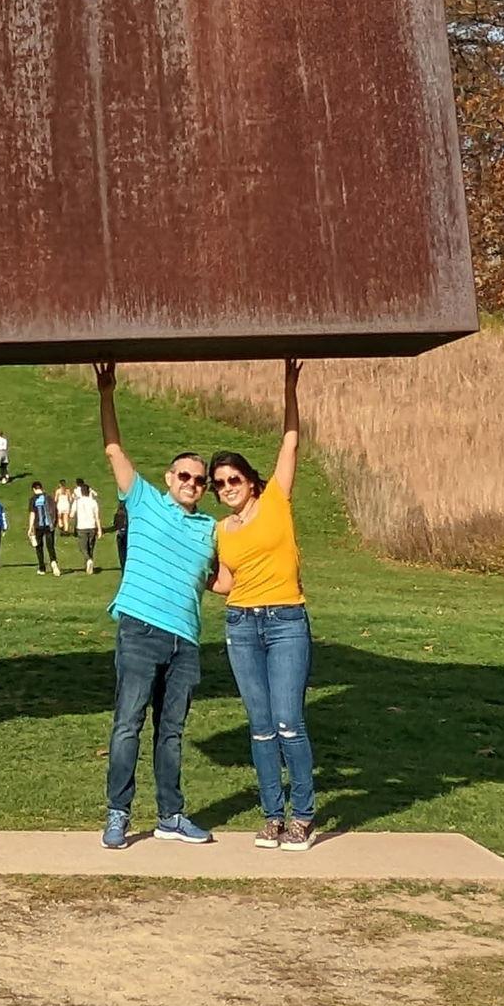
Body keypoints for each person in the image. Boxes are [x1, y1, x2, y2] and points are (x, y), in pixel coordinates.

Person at [95, 362, 218, 848]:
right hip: (141, 631)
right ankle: (118, 814)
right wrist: (107, 393)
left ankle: (171, 816)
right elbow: (113, 449)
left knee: (171, 733)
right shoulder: (144, 500)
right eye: (185, 475)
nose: (192, 483)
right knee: (128, 725)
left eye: (200, 480)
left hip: (185, 641)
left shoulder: (209, 528)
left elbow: (223, 579)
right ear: (169, 478)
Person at [212, 361, 316, 850]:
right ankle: (273, 815)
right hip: (241, 625)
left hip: (286, 621)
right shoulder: (221, 530)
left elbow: (290, 442)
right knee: (259, 728)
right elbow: (227, 582)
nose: (227, 487)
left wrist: (289, 388)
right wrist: (191, 576)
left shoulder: (276, 498)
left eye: (233, 479)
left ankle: (303, 815)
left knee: (288, 722)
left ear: (250, 480)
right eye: (219, 484)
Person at [71, 478, 103, 574]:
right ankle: (89, 565)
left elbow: (71, 514)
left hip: (81, 527)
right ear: (89, 491)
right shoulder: (93, 502)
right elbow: (97, 517)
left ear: (81, 492)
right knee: (91, 546)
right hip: (92, 526)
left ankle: (88, 560)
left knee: (83, 547)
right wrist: (99, 530)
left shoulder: (77, 501)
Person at [28, 480, 58, 575]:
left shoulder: (33, 499)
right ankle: (53, 562)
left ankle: (42, 568)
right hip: (49, 525)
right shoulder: (49, 497)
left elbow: (32, 514)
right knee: (50, 546)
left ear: (34, 489)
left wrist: (30, 527)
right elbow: (55, 510)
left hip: (38, 526)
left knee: (39, 547)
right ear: (41, 488)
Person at [112, 494, 129, 570]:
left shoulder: (118, 514)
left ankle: (123, 567)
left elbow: (115, 525)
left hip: (120, 534)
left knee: (121, 553)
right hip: (127, 534)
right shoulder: (129, 514)